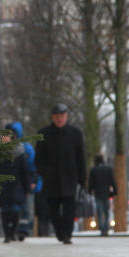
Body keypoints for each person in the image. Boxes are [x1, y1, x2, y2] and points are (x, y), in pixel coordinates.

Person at [35, 103, 86, 244]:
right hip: (51, 180)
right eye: (57, 116)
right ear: (53, 117)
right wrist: (44, 172)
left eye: (62, 116)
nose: (60, 119)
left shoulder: (75, 133)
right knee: (53, 210)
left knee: (70, 209)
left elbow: (81, 158)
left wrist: (82, 179)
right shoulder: (43, 134)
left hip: (70, 178)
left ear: (66, 116)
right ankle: (59, 231)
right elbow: (39, 158)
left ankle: (67, 235)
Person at [0, 125, 34, 243]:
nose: (4, 138)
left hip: (17, 187)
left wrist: (27, 188)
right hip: (3, 187)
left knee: (15, 210)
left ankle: (12, 232)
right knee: (5, 211)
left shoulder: (19, 153)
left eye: (7, 136)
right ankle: (7, 233)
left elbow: (25, 172)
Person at [88, 153, 117, 236]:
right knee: (107, 211)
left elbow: (91, 182)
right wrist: (115, 191)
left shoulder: (93, 170)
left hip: (98, 193)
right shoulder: (108, 169)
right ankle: (106, 227)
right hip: (107, 193)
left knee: (99, 211)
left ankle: (101, 227)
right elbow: (112, 181)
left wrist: (90, 191)